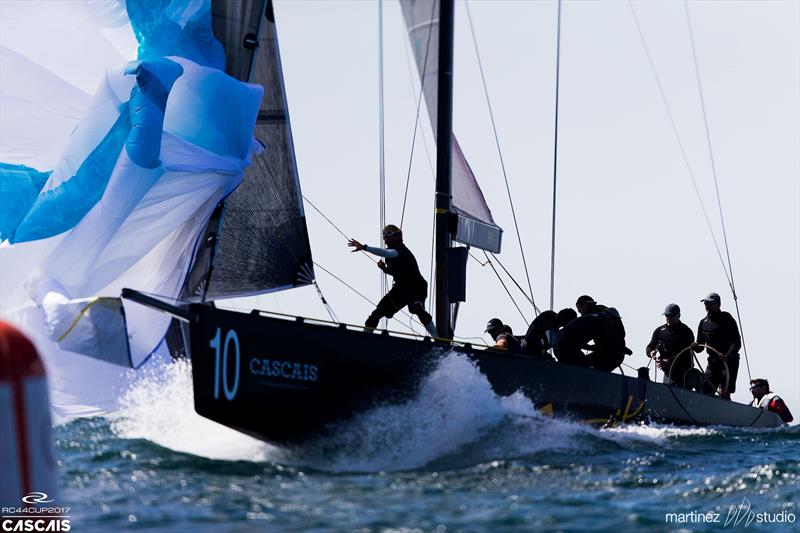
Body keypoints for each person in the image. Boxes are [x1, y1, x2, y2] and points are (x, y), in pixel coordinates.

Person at [348, 225, 438, 337]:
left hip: (416, 287)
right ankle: (365, 338)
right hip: (400, 288)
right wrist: (384, 269)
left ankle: (438, 339)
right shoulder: (391, 252)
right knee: (377, 313)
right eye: (384, 234)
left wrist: (364, 247)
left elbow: (388, 253)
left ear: (397, 236)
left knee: (417, 309)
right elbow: (396, 271)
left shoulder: (400, 250)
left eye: (388, 233)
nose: (385, 236)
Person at [554, 296, 631, 371]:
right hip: (614, 353)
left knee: (582, 366)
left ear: (585, 305)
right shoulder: (603, 313)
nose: (580, 313)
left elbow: (609, 333)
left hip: (610, 354)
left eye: (580, 310)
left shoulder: (597, 317)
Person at [692, 292, 741, 399]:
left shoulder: (726, 318)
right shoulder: (703, 322)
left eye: (710, 304)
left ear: (718, 304)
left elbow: (737, 342)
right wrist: (695, 346)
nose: (707, 306)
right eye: (705, 304)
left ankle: (725, 412)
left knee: (724, 391)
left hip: (729, 361)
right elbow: (700, 347)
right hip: (713, 362)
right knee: (705, 390)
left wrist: (726, 356)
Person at [646, 303, 695, 388]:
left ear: (678, 315)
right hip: (668, 373)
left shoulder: (686, 332)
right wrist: (651, 353)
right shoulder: (660, 331)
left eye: (671, 316)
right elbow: (650, 346)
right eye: (666, 316)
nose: (668, 318)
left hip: (683, 374)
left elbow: (685, 354)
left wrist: (668, 361)